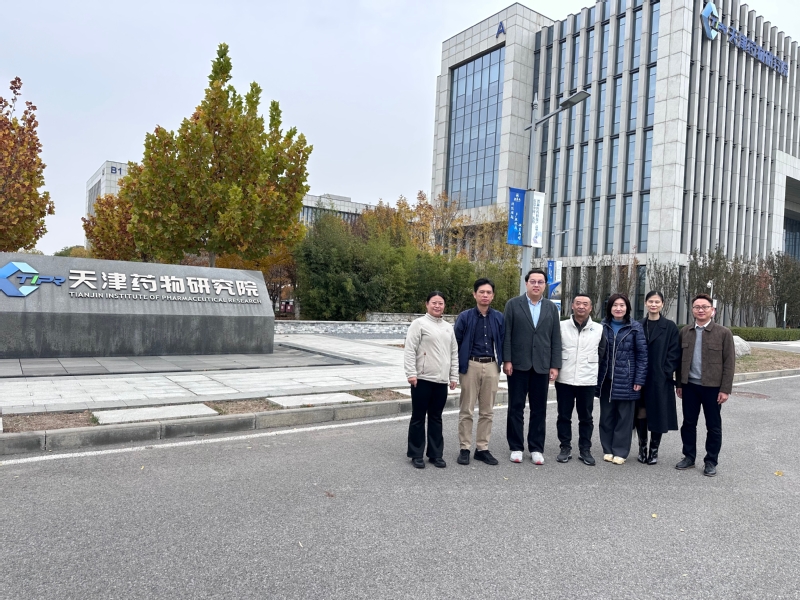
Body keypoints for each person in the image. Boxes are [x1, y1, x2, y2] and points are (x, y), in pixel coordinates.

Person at [503, 268, 562, 464]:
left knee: (539, 409)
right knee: (515, 407)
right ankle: (516, 447)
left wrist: (555, 365)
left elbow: (555, 338)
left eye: (540, 282)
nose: (536, 285)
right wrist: (507, 360)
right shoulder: (513, 304)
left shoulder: (551, 308)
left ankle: (536, 447)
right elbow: (507, 334)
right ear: (526, 283)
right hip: (518, 364)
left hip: (542, 365)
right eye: (533, 281)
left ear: (545, 285)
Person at [674, 293, 735, 477]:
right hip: (689, 386)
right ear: (692, 310)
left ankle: (711, 461)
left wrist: (725, 389)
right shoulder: (685, 331)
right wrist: (679, 384)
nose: (701, 310)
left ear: (712, 310)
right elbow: (679, 361)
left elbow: (729, 363)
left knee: (713, 426)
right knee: (688, 423)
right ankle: (689, 457)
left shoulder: (723, 333)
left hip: (713, 388)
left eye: (705, 307)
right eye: (697, 307)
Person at [404, 291, 459, 469]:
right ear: (427, 304)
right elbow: (410, 349)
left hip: (441, 380)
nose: (437, 306)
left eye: (440, 303)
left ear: (444, 306)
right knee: (418, 417)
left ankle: (435, 454)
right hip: (422, 378)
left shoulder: (448, 327)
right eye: (434, 302)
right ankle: (416, 454)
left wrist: (453, 376)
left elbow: (454, 353)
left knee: (436, 417)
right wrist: (411, 373)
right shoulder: (419, 324)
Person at [454, 278, 504, 466]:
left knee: (487, 411)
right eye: (481, 292)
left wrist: (505, 362)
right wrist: (455, 369)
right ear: (474, 294)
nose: (485, 295)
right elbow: (456, 343)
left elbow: (503, 341)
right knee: (466, 409)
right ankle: (464, 448)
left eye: (488, 292)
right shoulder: (465, 317)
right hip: (470, 365)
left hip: (491, 365)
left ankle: (482, 448)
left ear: (493, 296)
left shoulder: (498, 317)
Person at [595, 293, 648, 464]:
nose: (618, 308)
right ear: (609, 308)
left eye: (622, 305)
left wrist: (639, 380)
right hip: (605, 379)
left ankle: (620, 451)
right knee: (606, 416)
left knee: (624, 418)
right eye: (615, 305)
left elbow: (642, 356)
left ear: (627, 308)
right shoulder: (601, 326)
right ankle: (607, 449)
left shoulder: (635, 328)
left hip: (627, 379)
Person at [555, 293, 606, 466]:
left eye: (585, 304)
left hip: (587, 379)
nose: (581, 306)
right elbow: (555, 349)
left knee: (586, 418)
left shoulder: (598, 329)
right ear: (572, 306)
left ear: (590, 308)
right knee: (564, 416)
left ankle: (585, 449)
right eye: (578, 303)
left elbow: (602, 352)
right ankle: (565, 447)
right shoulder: (561, 326)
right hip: (565, 378)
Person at [635, 291, 681, 465]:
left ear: (662, 304)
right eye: (650, 301)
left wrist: (665, 371)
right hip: (640, 377)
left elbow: (674, 352)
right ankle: (642, 447)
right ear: (645, 303)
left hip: (660, 378)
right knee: (641, 412)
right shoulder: (638, 325)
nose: (653, 305)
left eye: (657, 302)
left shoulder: (669, 327)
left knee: (658, 413)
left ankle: (654, 450)